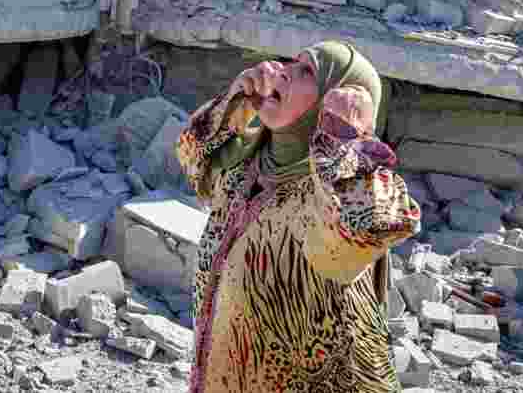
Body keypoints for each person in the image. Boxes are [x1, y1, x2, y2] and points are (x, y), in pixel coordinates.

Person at [176, 40, 422, 393]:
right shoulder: (244, 166)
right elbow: (190, 154)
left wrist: (344, 139)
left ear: (333, 100)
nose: (282, 71)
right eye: (290, 62)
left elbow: (375, 225)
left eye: (306, 71)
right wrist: (237, 100)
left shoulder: (329, 195)